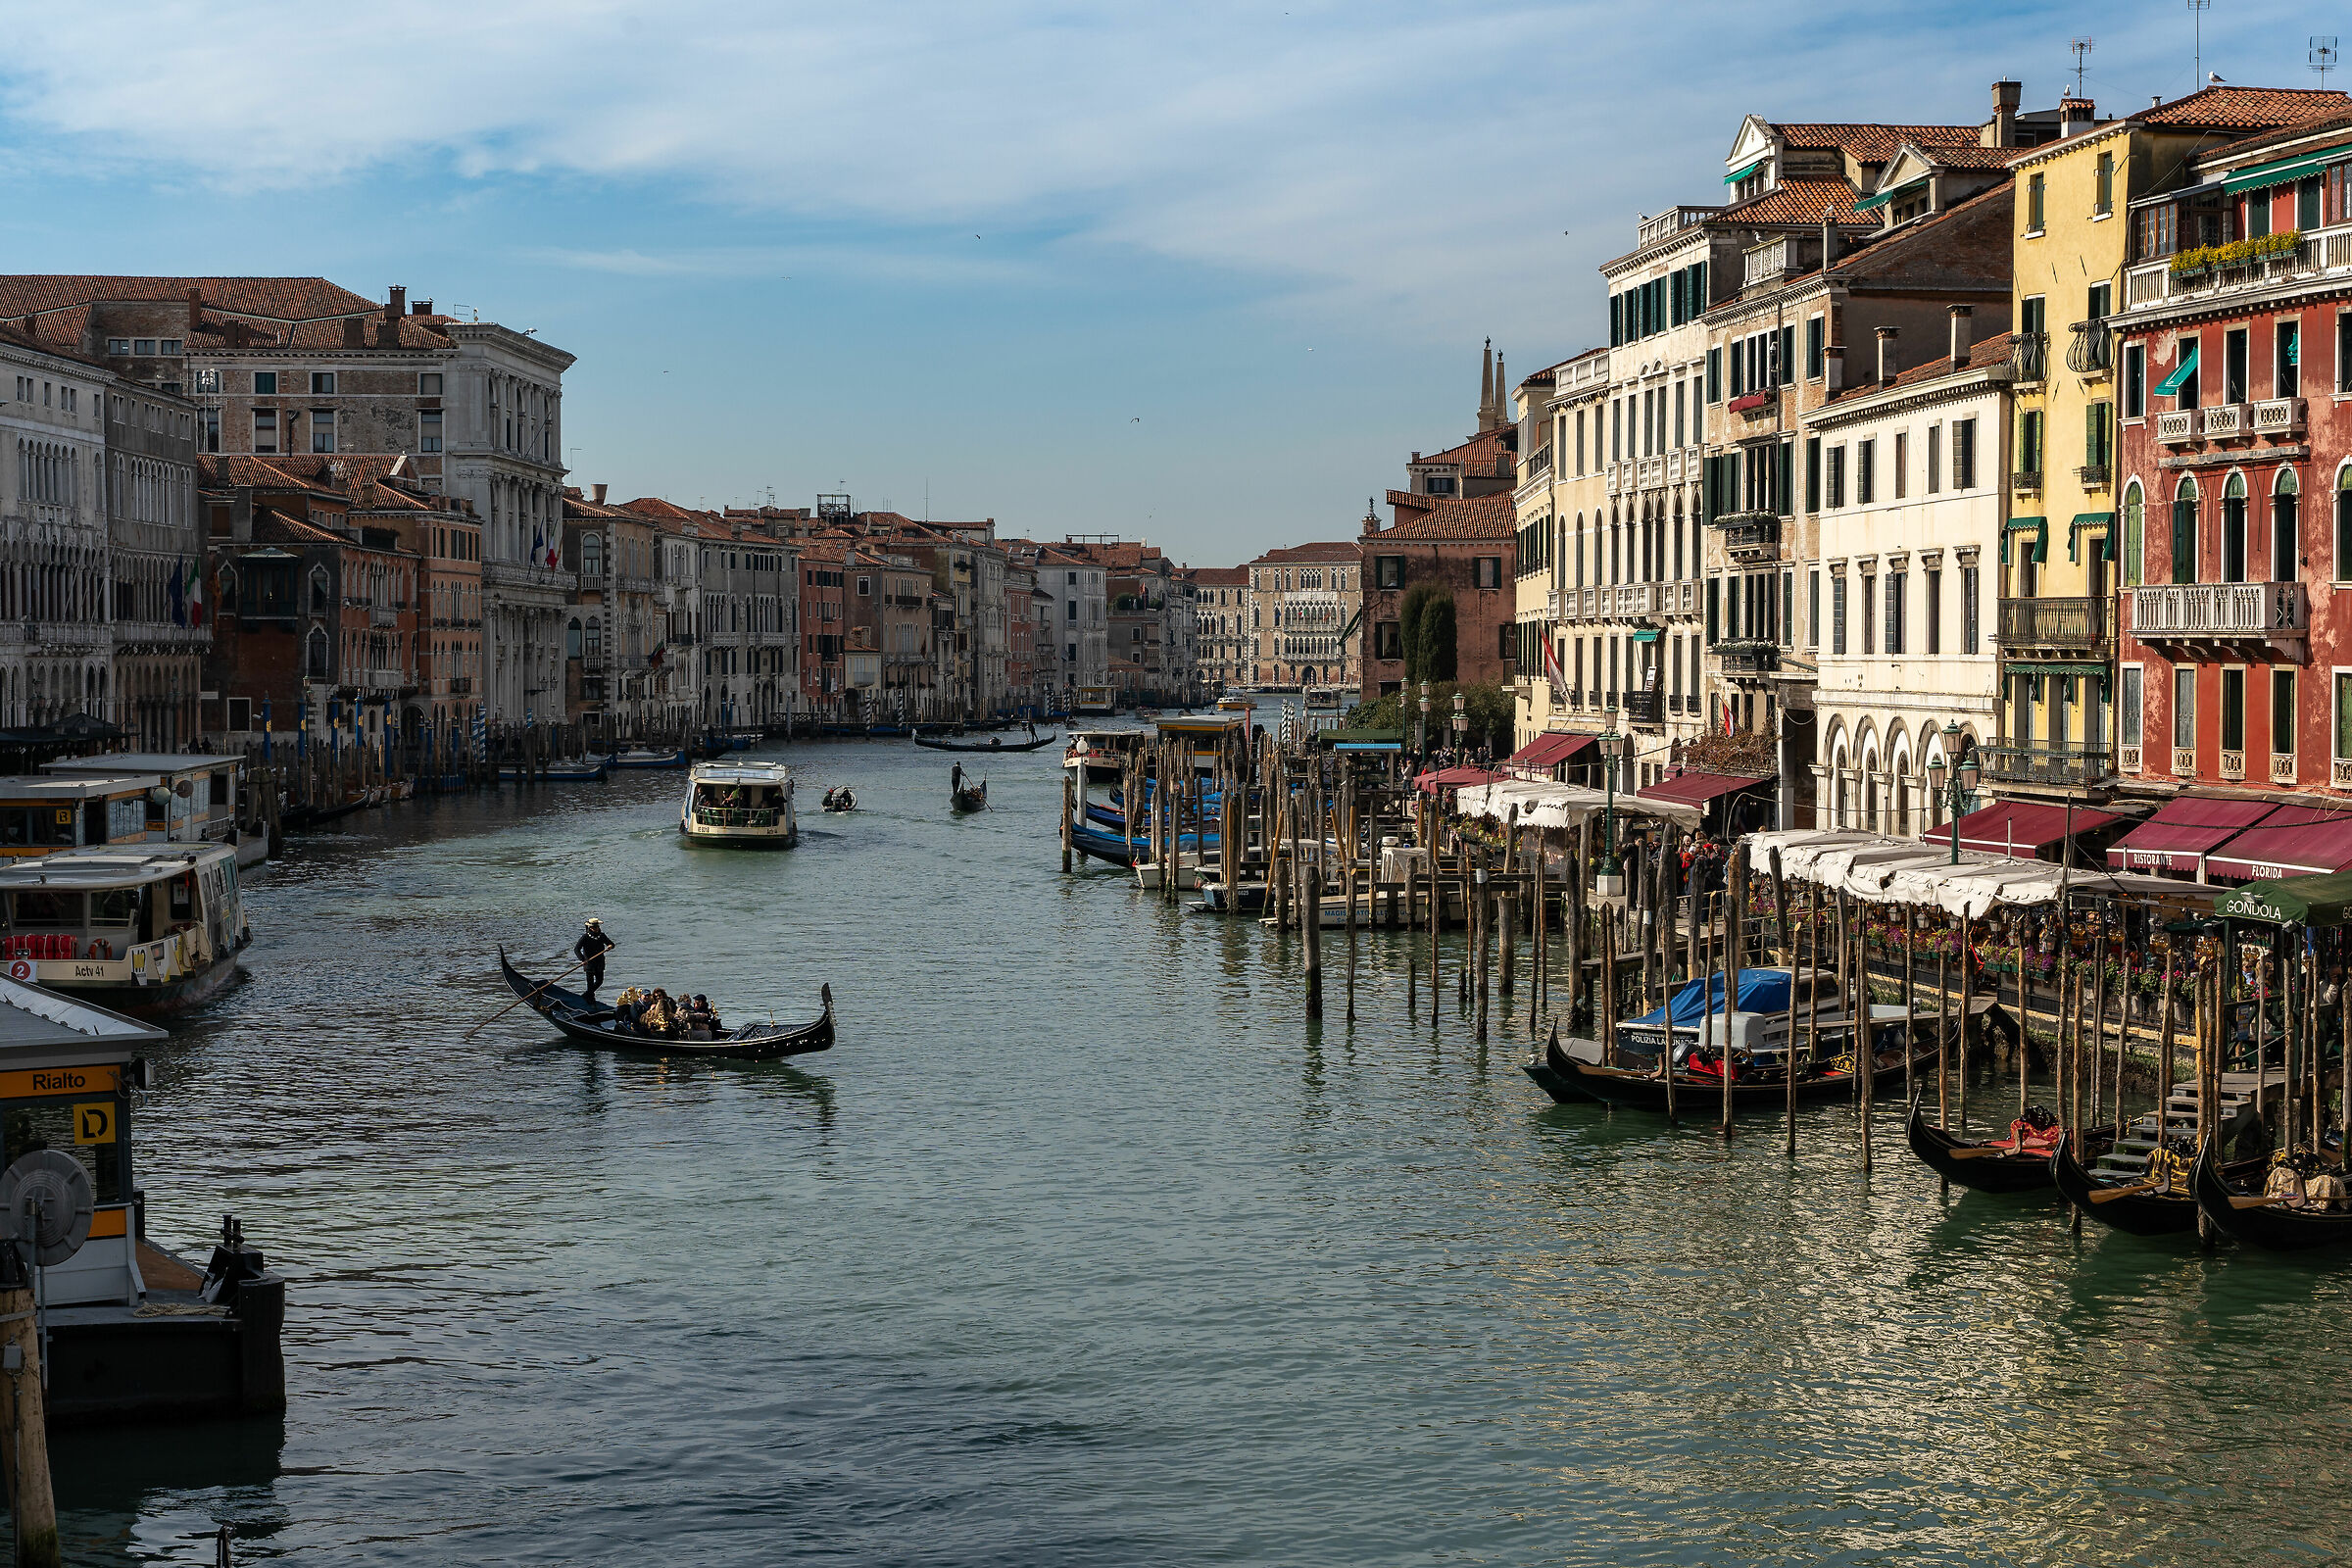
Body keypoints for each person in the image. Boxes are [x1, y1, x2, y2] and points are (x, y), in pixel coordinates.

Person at [574, 917, 614, 1002]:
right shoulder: (585, 937)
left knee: (599, 981)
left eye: (598, 927)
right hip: (589, 963)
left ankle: (586, 995)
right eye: (595, 927)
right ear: (590, 928)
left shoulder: (602, 936)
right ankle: (590, 998)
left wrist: (610, 946)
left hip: (600, 962)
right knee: (590, 983)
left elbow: (611, 944)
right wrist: (582, 959)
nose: (597, 929)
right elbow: (577, 949)